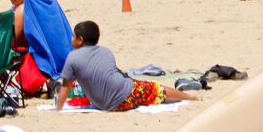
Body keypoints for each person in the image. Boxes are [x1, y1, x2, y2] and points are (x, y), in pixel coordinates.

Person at [53, 21, 195, 112]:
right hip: (122, 96)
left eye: (73, 36)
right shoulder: (105, 51)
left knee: (149, 87)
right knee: (155, 88)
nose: (71, 39)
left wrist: (58, 109)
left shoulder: (72, 58)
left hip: (107, 103)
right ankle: (188, 96)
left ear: (80, 39)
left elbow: (66, 85)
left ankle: (189, 96)